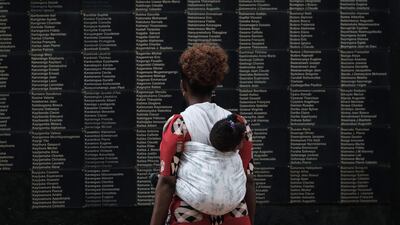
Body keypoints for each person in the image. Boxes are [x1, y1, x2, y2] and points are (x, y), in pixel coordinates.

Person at [150, 43, 255, 225]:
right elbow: (249, 179)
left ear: (183, 85)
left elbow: (167, 181)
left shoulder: (179, 125)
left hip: (192, 218)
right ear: (215, 85)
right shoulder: (239, 124)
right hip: (236, 217)